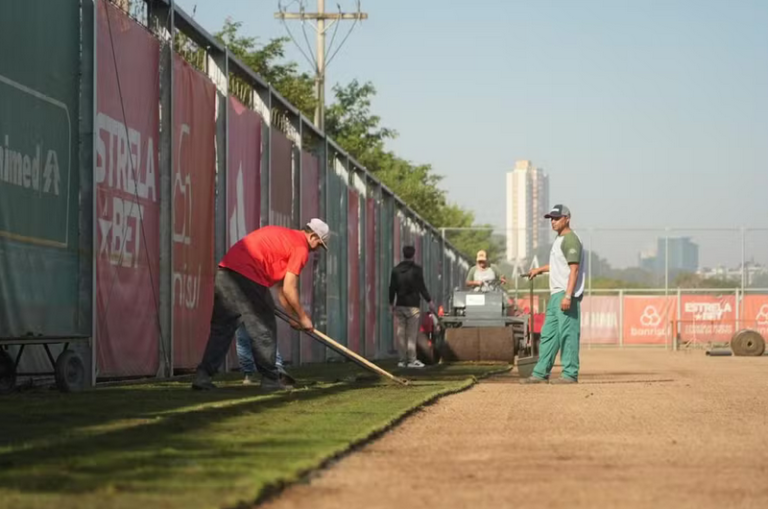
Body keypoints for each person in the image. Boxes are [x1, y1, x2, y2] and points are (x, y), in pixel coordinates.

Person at [192, 219, 329, 392]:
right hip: (249, 276)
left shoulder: (282, 235)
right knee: (264, 329)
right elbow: (289, 288)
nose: (317, 248)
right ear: (313, 236)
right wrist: (303, 317)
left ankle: (203, 376)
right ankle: (270, 379)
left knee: (222, 329)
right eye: (319, 243)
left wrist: (292, 317)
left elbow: (281, 288)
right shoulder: (301, 247)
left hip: (226, 272)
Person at [521, 204, 585, 385]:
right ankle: (540, 373)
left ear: (567, 218)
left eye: (557, 218)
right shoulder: (559, 240)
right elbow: (559, 266)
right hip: (556, 293)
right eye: (551, 218)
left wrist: (568, 296)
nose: (553, 221)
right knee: (549, 334)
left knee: (568, 334)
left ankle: (570, 374)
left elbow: (574, 270)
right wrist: (539, 270)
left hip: (566, 293)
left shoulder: (571, 239)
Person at [389, 245, 436, 369]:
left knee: (401, 333)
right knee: (411, 334)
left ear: (403, 254)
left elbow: (392, 287)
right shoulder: (417, 270)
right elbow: (421, 286)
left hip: (400, 304)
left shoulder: (396, 270)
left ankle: (402, 360)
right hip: (413, 306)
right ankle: (412, 360)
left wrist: (391, 303)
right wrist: (429, 300)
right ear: (413, 254)